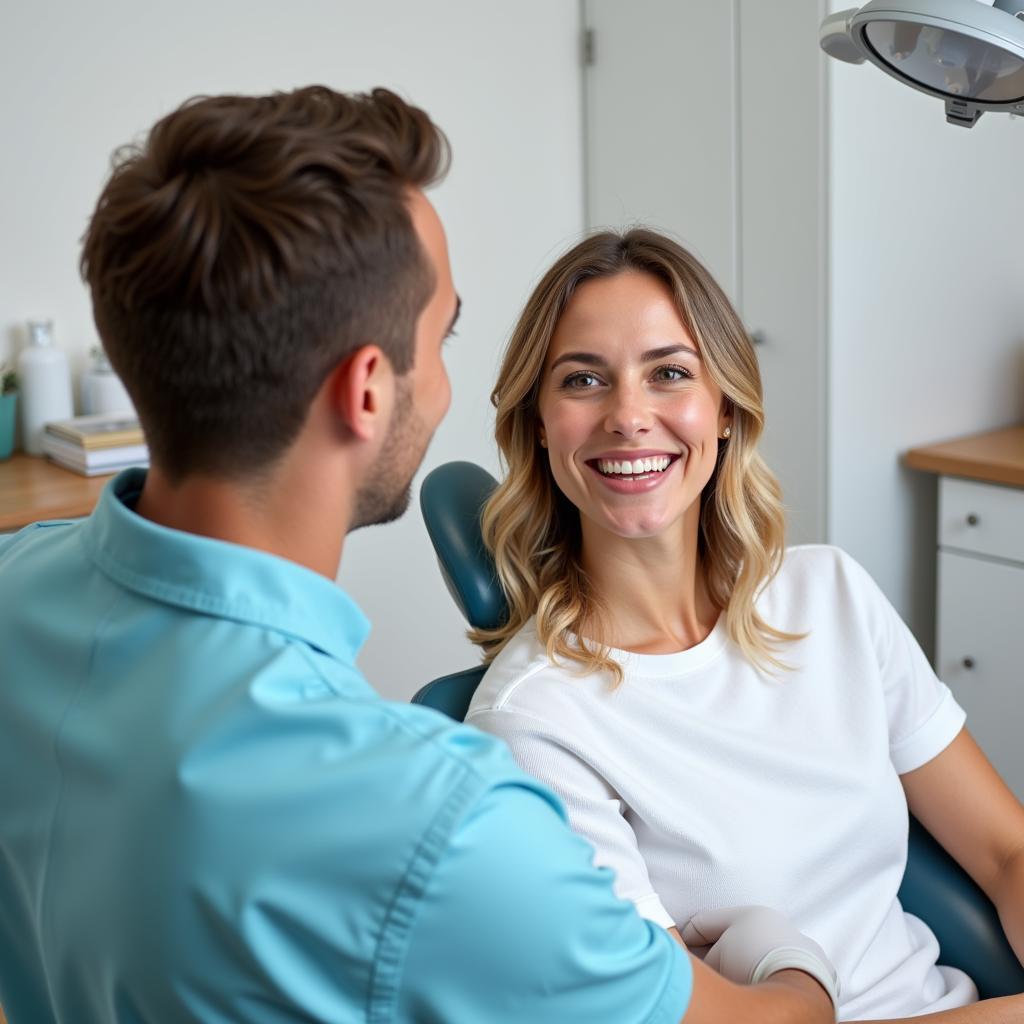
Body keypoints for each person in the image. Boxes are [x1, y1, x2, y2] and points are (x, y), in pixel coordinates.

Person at [0, 87, 841, 1024]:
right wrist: (784, 950)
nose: (443, 383)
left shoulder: (17, 585)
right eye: (439, 337)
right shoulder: (441, 823)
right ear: (367, 390)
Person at [464, 227, 1024, 1023]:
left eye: (669, 373)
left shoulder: (830, 596)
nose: (629, 416)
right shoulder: (533, 722)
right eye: (583, 380)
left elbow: (1007, 853)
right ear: (539, 425)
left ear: (724, 408)